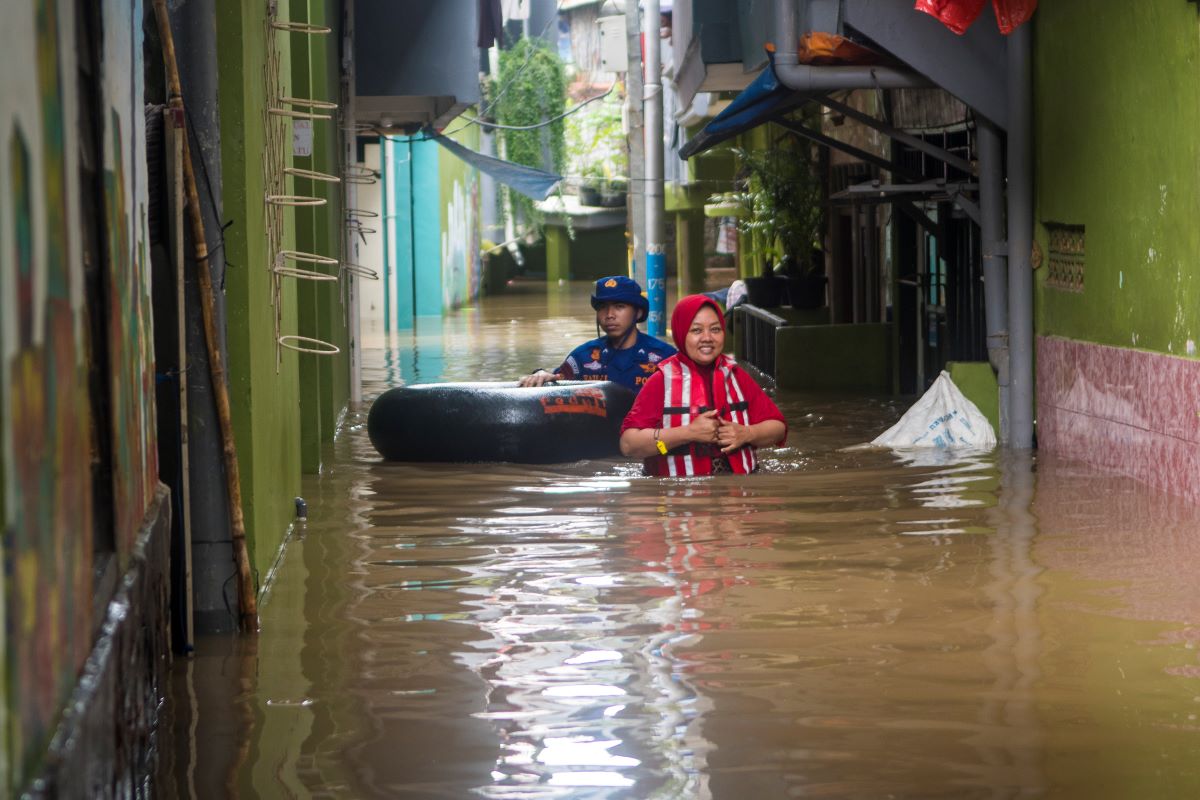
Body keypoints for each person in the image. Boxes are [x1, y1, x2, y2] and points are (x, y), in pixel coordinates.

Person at [619, 294, 786, 476]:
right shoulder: (660, 382)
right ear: (681, 333)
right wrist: (688, 433)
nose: (707, 338)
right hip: (679, 496)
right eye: (696, 331)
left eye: (715, 329)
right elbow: (629, 445)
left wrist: (747, 433)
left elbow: (778, 428)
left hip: (737, 494)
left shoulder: (737, 376)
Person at [518, 276, 676, 393]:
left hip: (651, 437)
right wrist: (541, 374)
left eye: (619, 306)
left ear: (638, 312)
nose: (609, 314)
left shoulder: (665, 357)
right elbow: (557, 379)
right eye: (602, 307)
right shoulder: (582, 357)